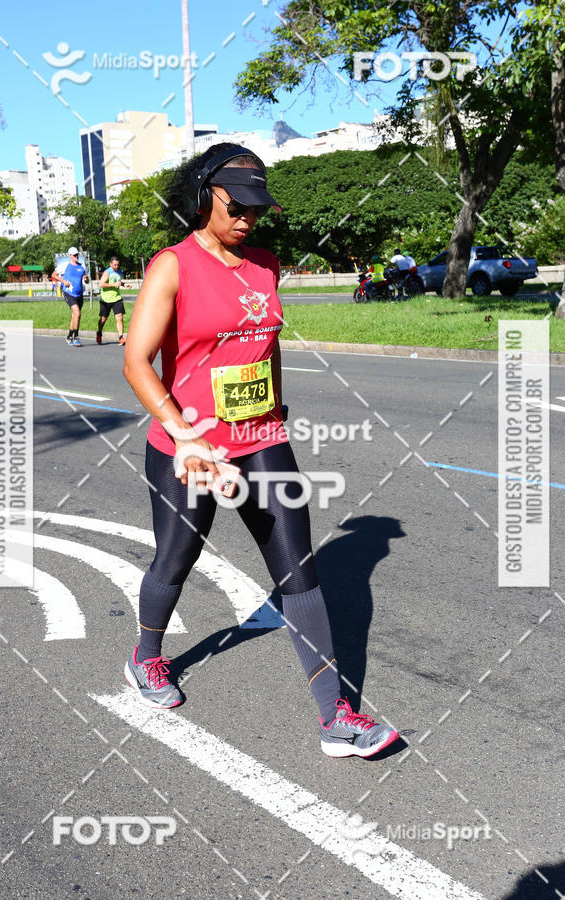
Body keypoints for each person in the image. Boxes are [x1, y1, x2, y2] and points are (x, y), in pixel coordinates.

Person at [121, 142, 400, 759]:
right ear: (205, 198)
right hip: (189, 445)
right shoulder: (172, 266)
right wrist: (185, 434)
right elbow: (137, 362)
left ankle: (336, 719)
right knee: (176, 557)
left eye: (257, 208)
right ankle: (146, 656)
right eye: (237, 206)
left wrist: (276, 407)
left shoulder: (265, 266)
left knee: (298, 568)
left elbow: (264, 345)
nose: (249, 218)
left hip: (261, 438)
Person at [52, 246, 89, 347]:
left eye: (77, 254)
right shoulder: (64, 265)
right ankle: (76, 337)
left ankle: (69, 337)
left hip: (79, 294)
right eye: (74, 255)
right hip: (68, 293)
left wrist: (86, 279)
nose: (76, 256)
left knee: (75, 316)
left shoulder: (82, 266)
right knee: (77, 313)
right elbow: (54, 275)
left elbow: (87, 280)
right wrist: (63, 281)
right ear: (70, 255)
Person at [96, 256, 129, 346]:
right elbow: (101, 284)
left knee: (119, 317)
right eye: (115, 265)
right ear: (110, 264)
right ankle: (99, 332)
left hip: (116, 298)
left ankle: (121, 337)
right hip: (106, 300)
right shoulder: (107, 272)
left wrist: (124, 284)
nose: (116, 267)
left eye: (118, 265)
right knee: (103, 319)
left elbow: (118, 282)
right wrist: (114, 285)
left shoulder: (119, 272)